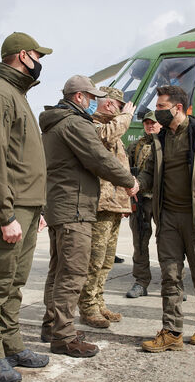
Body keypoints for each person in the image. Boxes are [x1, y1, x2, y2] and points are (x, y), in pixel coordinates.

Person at [0, 32, 52, 382]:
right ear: (23, 56)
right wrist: (4, 214)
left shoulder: (17, 95)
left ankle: (12, 343)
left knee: (15, 281)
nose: (39, 63)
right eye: (38, 56)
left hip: (28, 206)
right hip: (11, 206)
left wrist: (38, 208)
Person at [40, 75, 138, 358]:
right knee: (73, 273)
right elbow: (99, 158)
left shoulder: (57, 121)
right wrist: (128, 181)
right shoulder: (74, 123)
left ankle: (52, 326)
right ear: (79, 97)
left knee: (59, 271)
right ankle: (64, 336)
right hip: (74, 207)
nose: (95, 102)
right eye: (91, 97)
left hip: (63, 204)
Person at [137, 86, 195, 352]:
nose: (157, 112)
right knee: (170, 275)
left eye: (162, 107)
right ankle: (172, 331)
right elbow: (149, 173)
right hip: (168, 218)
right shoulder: (161, 138)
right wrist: (135, 184)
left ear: (178, 108)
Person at [78, 87, 136, 328]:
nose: (120, 110)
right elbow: (104, 137)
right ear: (110, 104)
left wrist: (124, 202)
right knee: (95, 259)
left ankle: (98, 300)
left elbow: (120, 168)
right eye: (118, 105)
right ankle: (88, 305)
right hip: (100, 206)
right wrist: (125, 117)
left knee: (107, 261)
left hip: (113, 205)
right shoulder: (92, 126)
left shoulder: (115, 131)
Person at [126, 111, 162, 298]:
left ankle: (173, 284)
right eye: (147, 123)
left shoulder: (167, 144)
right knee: (140, 243)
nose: (150, 126)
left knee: (168, 244)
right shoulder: (134, 147)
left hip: (163, 201)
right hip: (140, 202)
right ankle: (141, 282)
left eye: (153, 123)